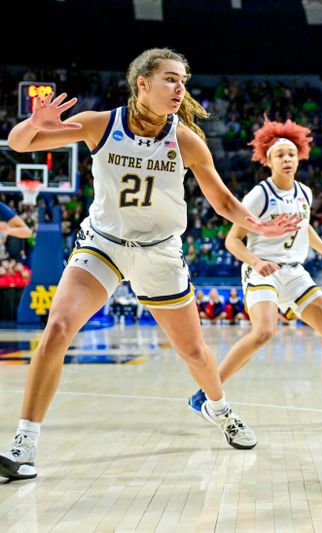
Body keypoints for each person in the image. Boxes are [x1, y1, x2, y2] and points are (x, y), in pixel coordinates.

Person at [0, 48, 302, 481]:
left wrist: (260, 227)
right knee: (58, 328)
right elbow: (17, 143)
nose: (180, 88)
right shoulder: (99, 124)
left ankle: (220, 409)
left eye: (183, 81)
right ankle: (24, 441)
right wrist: (33, 125)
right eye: (170, 79)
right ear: (142, 83)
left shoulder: (185, 140)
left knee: (194, 352)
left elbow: (221, 201)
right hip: (104, 243)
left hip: (159, 251)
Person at [187, 117, 322, 426]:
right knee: (264, 332)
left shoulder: (305, 193)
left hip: (295, 272)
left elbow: (305, 227)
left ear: (299, 156)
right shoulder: (259, 195)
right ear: (267, 161)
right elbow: (232, 240)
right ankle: (205, 393)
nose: (287, 159)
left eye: (291, 154)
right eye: (279, 155)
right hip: (262, 271)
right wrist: (256, 262)